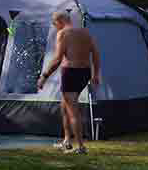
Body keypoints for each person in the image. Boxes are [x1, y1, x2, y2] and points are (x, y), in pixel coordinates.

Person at [38, 11, 101, 154]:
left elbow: (57, 59)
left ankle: (81, 147)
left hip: (71, 72)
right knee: (64, 105)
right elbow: (96, 54)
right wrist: (95, 74)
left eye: (54, 25)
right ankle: (66, 141)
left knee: (72, 109)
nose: (55, 28)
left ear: (59, 21)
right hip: (84, 72)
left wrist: (44, 76)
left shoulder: (63, 33)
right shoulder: (85, 32)